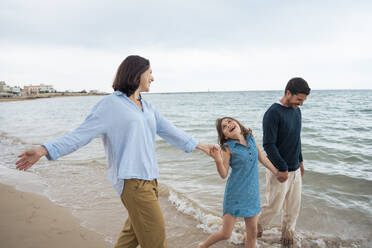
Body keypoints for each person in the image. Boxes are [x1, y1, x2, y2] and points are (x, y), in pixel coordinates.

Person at [15, 55, 215, 248]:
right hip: (133, 183)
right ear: (136, 74)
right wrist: (44, 149)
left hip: (151, 180)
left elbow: (170, 131)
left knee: (131, 237)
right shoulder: (110, 105)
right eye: (150, 73)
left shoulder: (146, 106)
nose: (153, 78)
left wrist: (203, 146)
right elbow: (81, 135)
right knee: (156, 239)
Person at [198, 117, 279, 248]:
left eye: (229, 121)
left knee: (252, 233)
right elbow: (224, 174)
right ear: (224, 135)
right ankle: (202, 246)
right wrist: (218, 160)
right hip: (235, 194)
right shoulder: (227, 148)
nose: (228, 125)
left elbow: (262, 158)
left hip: (252, 193)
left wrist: (277, 172)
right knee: (226, 233)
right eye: (224, 126)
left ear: (237, 122)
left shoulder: (250, 136)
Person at [257, 77, 310, 246]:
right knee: (273, 206)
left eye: (303, 100)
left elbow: (297, 139)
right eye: (299, 99)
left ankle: (287, 236)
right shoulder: (273, 113)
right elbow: (268, 145)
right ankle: (254, 230)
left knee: (293, 208)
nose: (301, 103)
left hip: (294, 169)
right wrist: (282, 168)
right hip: (278, 169)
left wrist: (300, 162)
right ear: (288, 93)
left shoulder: (297, 111)